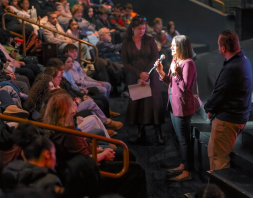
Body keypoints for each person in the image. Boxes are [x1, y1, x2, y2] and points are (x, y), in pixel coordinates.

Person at [43, 93, 147, 198]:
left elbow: (82, 148)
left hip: (87, 165)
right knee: (137, 170)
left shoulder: (62, 126)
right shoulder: (67, 134)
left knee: (130, 155)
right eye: (71, 105)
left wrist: (97, 150)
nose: (74, 107)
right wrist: (104, 154)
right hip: (88, 172)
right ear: (64, 110)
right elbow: (85, 160)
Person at [204, 30, 253, 170]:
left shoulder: (232, 67)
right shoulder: (243, 60)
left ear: (223, 48)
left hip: (227, 121)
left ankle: (219, 191)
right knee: (217, 157)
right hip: (237, 116)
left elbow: (220, 92)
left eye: (219, 45)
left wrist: (209, 108)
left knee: (218, 160)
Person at [155, 35, 197, 181]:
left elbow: (185, 88)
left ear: (181, 47)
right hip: (174, 105)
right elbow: (172, 84)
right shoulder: (176, 61)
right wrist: (161, 72)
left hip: (183, 108)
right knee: (179, 138)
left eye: (174, 45)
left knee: (184, 140)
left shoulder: (188, 63)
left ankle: (188, 171)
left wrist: (176, 73)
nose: (171, 47)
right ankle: (183, 164)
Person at [122, 16, 165, 145]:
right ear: (133, 28)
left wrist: (146, 73)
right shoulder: (127, 42)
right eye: (140, 28)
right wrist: (139, 74)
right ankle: (141, 134)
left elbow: (155, 58)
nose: (142, 31)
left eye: (144, 28)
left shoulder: (150, 40)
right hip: (136, 76)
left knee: (153, 104)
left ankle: (158, 134)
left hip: (151, 75)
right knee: (139, 105)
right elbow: (126, 63)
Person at [2, 122, 62, 197]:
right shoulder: (50, 183)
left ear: (23, 154)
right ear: (47, 154)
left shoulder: (9, 170)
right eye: (53, 153)